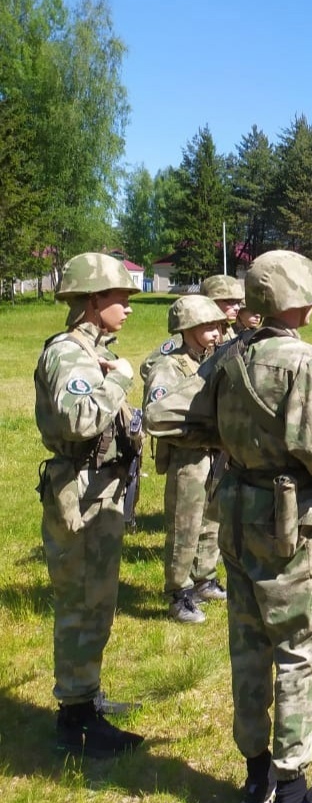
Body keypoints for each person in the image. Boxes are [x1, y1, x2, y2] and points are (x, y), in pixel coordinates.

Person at [154, 250, 312, 803]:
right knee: (301, 646)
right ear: (297, 297)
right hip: (285, 517)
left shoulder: (227, 354)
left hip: (236, 508)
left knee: (248, 645)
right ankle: (293, 798)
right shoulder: (300, 358)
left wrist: (223, 438)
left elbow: (165, 416)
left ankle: (254, 781)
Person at [34, 252, 145, 757]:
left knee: (98, 600)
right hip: (79, 492)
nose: (127, 307)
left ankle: (86, 692)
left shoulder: (92, 350)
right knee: (81, 602)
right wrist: (119, 379)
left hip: (99, 488)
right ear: (92, 300)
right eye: (119, 298)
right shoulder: (69, 354)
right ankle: (74, 719)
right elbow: (80, 421)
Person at [142, 295, 229, 623]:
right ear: (187, 329)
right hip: (188, 457)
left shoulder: (209, 361)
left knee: (210, 521)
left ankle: (205, 578)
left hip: (214, 454)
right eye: (206, 328)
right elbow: (155, 416)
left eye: (217, 327)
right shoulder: (170, 366)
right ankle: (178, 592)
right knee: (184, 526)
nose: (215, 334)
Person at [200, 274, 247, 342]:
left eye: (238, 302)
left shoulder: (226, 327)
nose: (237, 308)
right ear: (212, 302)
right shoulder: (197, 334)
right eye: (231, 301)